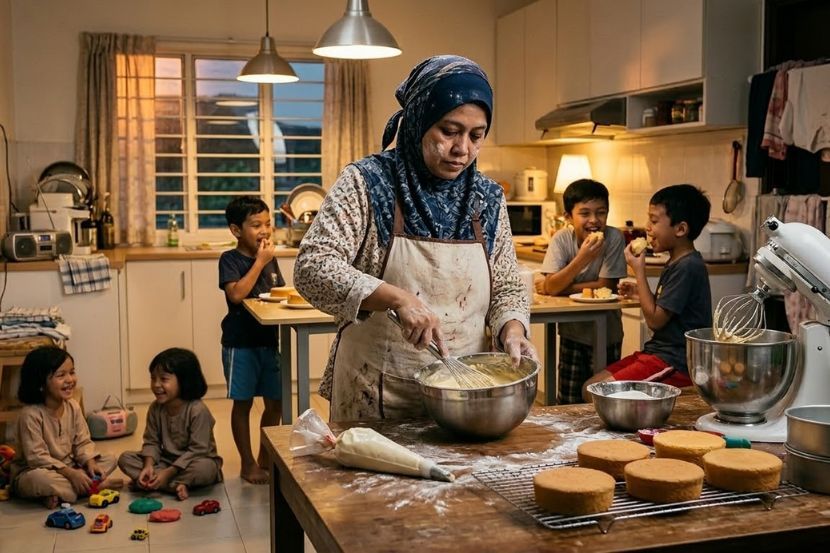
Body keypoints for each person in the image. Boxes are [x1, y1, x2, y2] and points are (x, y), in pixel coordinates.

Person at [294, 55, 537, 421]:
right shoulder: (368, 182)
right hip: (376, 391)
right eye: (449, 131)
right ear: (419, 122)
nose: (462, 149)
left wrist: (513, 328)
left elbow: (505, 285)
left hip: (464, 393)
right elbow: (312, 267)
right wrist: (396, 297)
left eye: (476, 135)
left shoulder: (487, 197)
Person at [583, 184, 712, 399]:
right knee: (591, 387)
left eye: (654, 221)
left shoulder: (688, 266)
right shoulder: (677, 261)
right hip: (656, 353)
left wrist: (639, 272)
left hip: (675, 362)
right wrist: (638, 293)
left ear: (680, 229)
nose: (647, 228)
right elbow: (665, 309)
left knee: (598, 394)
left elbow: (655, 321)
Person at [534, 179, 627, 404]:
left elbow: (606, 286)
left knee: (603, 400)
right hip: (572, 332)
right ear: (568, 217)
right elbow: (553, 287)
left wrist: (556, 286)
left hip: (607, 332)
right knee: (568, 399)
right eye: (584, 213)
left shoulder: (614, 238)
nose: (594, 220)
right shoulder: (561, 239)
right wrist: (582, 258)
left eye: (601, 213)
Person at [218, 196, 283, 484]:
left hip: (268, 341)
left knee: (276, 403)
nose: (265, 231)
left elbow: (277, 291)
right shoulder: (230, 260)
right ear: (236, 230)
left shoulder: (270, 258)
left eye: (268, 224)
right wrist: (259, 262)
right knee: (243, 404)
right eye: (256, 225)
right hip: (240, 343)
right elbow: (236, 294)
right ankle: (246, 463)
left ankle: (265, 456)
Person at [10, 346, 121, 508]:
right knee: (39, 480)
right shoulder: (30, 414)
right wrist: (70, 474)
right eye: (61, 375)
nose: (70, 379)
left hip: (71, 466)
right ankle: (92, 487)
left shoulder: (73, 406)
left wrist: (89, 463)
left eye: (72, 372)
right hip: (36, 471)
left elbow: (82, 442)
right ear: (40, 383)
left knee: (109, 459)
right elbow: (37, 458)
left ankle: (62, 493)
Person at [118, 348, 222, 500]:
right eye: (153, 378)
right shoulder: (155, 408)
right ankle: (174, 485)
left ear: (184, 381)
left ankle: (159, 483)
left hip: (194, 462)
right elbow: (151, 442)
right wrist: (148, 466)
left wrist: (168, 473)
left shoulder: (198, 410)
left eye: (163, 379)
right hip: (165, 462)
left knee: (205, 469)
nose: (156, 385)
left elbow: (198, 450)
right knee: (125, 458)